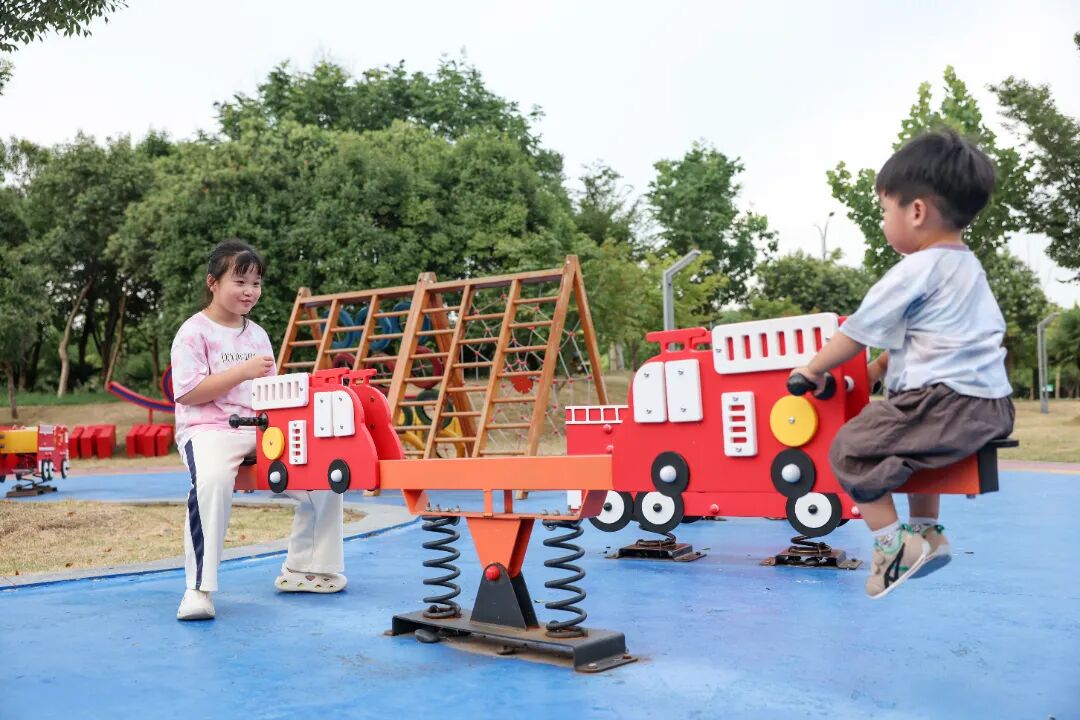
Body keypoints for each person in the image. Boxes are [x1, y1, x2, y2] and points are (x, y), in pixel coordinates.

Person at [790, 129, 1014, 599]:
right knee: (903, 451)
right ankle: (927, 533)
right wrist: (875, 372)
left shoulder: (916, 269)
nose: (882, 221)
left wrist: (812, 369)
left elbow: (855, 331)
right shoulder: (968, 268)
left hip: (944, 402)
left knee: (851, 449)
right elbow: (928, 340)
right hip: (991, 404)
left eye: (883, 210)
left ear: (915, 212)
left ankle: (893, 547)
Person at [171, 239, 347, 621]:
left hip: (262, 427)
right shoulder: (193, 332)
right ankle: (198, 590)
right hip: (209, 430)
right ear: (213, 282)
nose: (249, 291)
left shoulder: (258, 334)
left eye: (256, 283)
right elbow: (187, 392)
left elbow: (270, 392)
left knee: (324, 474)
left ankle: (306, 569)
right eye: (240, 281)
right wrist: (242, 371)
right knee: (212, 481)